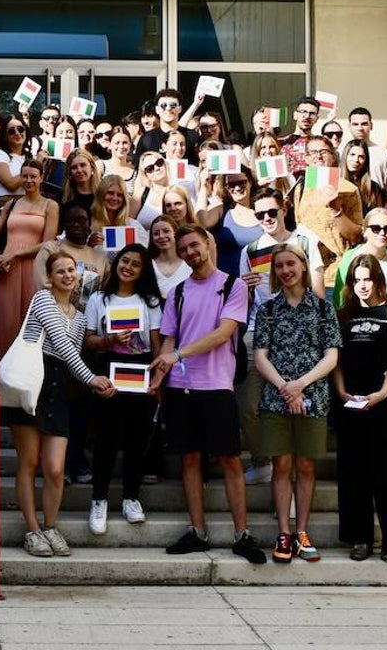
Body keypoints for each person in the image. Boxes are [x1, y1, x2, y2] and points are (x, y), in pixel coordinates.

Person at [149, 223, 266, 564]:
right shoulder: (179, 292)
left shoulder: (232, 285)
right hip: (180, 388)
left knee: (230, 459)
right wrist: (160, 373)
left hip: (217, 385)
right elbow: (169, 338)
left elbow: (222, 334)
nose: (189, 252)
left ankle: (242, 534)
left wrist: (177, 355)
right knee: (189, 459)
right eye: (183, 248)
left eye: (194, 245)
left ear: (207, 244)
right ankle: (197, 532)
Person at [5, 251, 114, 557]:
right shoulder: (41, 299)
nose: (67, 275)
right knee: (28, 462)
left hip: (58, 390)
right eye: (60, 271)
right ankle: (32, 529)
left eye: (71, 270)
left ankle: (50, 526)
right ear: (49, 277)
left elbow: (70, 357)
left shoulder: (80, 317)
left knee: (55, 468)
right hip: (30, 383)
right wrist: (92, 379)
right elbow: (64, 348)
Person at [252, 244, 341, 564]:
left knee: (305, 466)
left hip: (313, 399)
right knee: (282, 466)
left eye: (291, 264)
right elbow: (260, 356)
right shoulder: (268, 310)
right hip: (276, 401)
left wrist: (301, 385)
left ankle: (302, 531)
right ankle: (284, 532)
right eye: (279, 266)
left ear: (303, 266)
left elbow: (332, 355)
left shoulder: (322, 309)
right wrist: (285, 388)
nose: (285, 270)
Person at [238, 187, 323, 486]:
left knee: (293, 404)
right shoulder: (248, 250)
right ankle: (263, 462)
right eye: (259, 214)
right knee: (248, 406)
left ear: (284, 209)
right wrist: (244, 289)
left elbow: (319, 290)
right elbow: (242, 304)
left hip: (298, 332)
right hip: (257, 331)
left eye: (271, 212)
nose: (266, 218)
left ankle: (289, 473)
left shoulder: (305, 239)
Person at [82, 243, 162, 531]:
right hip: (108, 368)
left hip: (140, 371)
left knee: (137, 439)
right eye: (124, 261)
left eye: (135, 264)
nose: (127, 267)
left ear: (143, 270)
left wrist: (158, 378)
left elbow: (155, 343)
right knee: (106, 437)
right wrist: (109, 341)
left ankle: (131, 498)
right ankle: (99, 499)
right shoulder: (99, 300)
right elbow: (89, 341)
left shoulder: (150, 302)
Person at [333, 254, 387, 561]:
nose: (362, 286)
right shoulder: (342, 315)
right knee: (353, 475)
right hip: (349, 404)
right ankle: (359, 539)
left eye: (368, 279)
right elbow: (335, 359)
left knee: (385, 475)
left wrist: (382, 392)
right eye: (357, 280)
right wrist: (340, 391)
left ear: (378, 280)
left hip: (381, 404)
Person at [0, 159, 58, 353]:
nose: (28, 180)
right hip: (8, 268)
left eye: (33, 177)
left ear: (41, 178)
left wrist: (17, 253)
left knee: (30, 321)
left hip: (33, 267)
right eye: (25, 176)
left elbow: (48, 243)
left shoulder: (50, 205)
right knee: (6, 319)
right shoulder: (11, 203)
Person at [291, 135, 364, 300]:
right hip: (306, 276)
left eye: (324, 152)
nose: (318, 156)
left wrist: (336, 210)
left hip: (336, 276)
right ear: (307, 158)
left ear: (333, 156)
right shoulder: (300, 188)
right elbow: (298, 226)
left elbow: (356, 235)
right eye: (313, 152)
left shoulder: (348, 189)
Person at [279, 96, 322, 174]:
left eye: (312, 113)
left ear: (317, 118)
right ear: (295, 115)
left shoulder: (320, 144)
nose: (307, 116)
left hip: (312, 184)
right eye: (303, 111)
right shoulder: (281, 143)